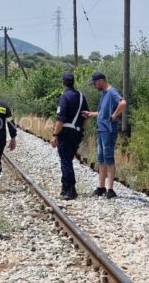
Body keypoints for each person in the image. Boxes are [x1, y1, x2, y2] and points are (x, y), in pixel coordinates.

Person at [82, 71, 126, 199]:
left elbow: (123, 103)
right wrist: (90, 114)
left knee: (108, 158)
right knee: (101, 158)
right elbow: (102, 112)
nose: (94, 86)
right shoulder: (104, 94)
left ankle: (110, 189)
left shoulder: (112, 92)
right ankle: (101, 187)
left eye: (95, 83)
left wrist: (114, 115)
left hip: (108, 130)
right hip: (101, 129)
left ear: (101, 81)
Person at [50, 71, 89, 200]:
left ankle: (69, 189)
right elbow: (86, 116)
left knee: (65, 161)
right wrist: (80, 130)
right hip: (77, 133)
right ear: (73, 82)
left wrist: (55, 134)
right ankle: (67, 188)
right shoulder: (82, 97)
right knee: (69, 160)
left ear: (63, 83)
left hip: (65, 133)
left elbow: (60, 119)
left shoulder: (64, 97)